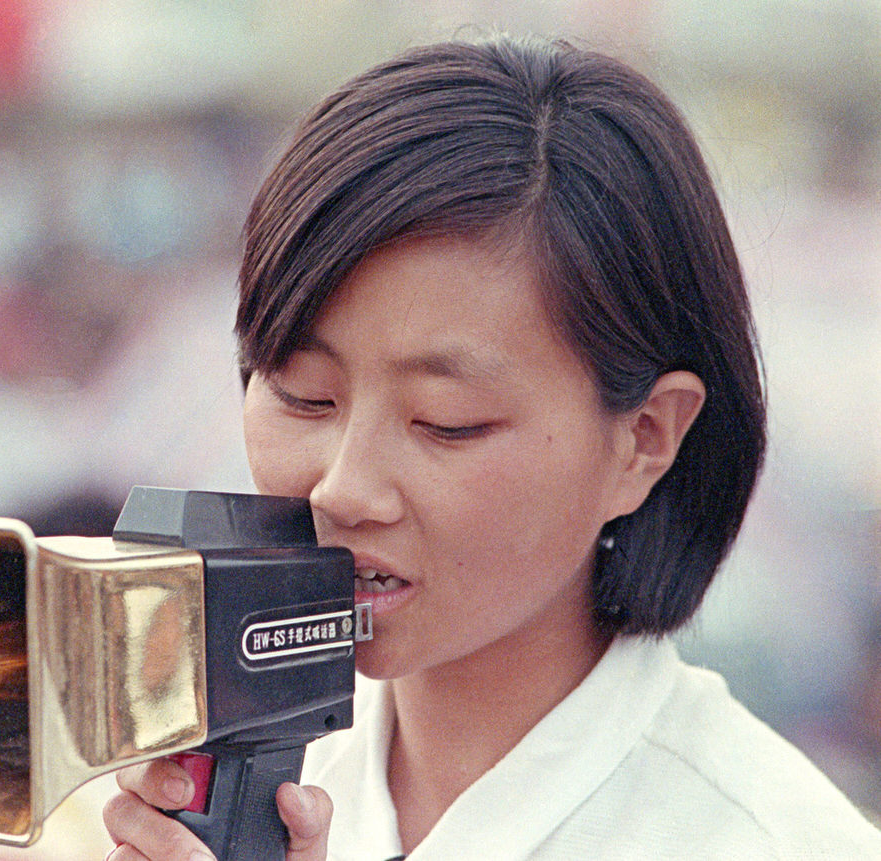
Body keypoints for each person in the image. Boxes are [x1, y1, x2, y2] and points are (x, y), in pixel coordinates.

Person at [101, 33, 881, 859]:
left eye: (447, 420)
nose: (344, 487)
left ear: (646, 439)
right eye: (304, 394)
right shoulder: (187, 788)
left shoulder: (774, 839)